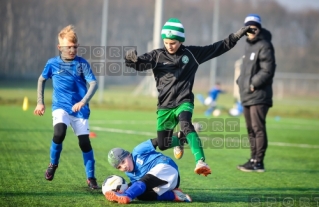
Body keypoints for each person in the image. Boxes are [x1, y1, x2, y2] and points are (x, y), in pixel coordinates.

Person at [124, 18, 254, 176]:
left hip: (184, 101)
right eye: (166, 42)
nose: (169, 46)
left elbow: (218, 47)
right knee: (164, 144)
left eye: (173, 42)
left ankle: (201, 161)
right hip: (164, 106)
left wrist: (237, 35)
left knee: (186, 124)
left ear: (180, 40)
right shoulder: (156, 55)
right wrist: (130, 60)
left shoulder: (192, 54)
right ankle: (181, 138)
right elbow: (139, 64)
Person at [33, 25, 99, 188]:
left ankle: (91, 179)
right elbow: (41, 80)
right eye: (68, 47)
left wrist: (82, 102)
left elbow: (93, 84)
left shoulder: (82, 64)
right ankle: (53, 164)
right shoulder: (52, 63)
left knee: (85, 143)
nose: (72, 49)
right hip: (60, 106)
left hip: (80, 110)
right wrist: (40, 102)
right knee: (59, 133)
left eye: (75, 46)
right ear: (60, 47)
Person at [236, 14, 276, 172]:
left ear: (259, 28)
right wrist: (240, 81)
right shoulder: (249, 45)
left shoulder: (265, 45)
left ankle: (259, 162)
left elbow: (268, 70)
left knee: (258, 128)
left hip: (259, 95)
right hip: (246, 95)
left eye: (254, 28)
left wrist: (253, 83)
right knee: (250, 129)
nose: (251, 31)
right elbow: (245, 71)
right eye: (248, 28)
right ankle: (252, 159)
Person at [105, 138, 192, 204]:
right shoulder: (130, 173)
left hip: (167, 167)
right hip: (166, 184)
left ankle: (127, 196)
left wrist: (178, 137)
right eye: (119, 167)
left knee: (145, 181)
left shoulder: (137, 151)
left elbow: (157, 141)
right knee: (140, 194)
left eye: (123, 161)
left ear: (128, 155)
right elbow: (139, 185)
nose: (123, 167)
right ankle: (175, 195)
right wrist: (122, 189)